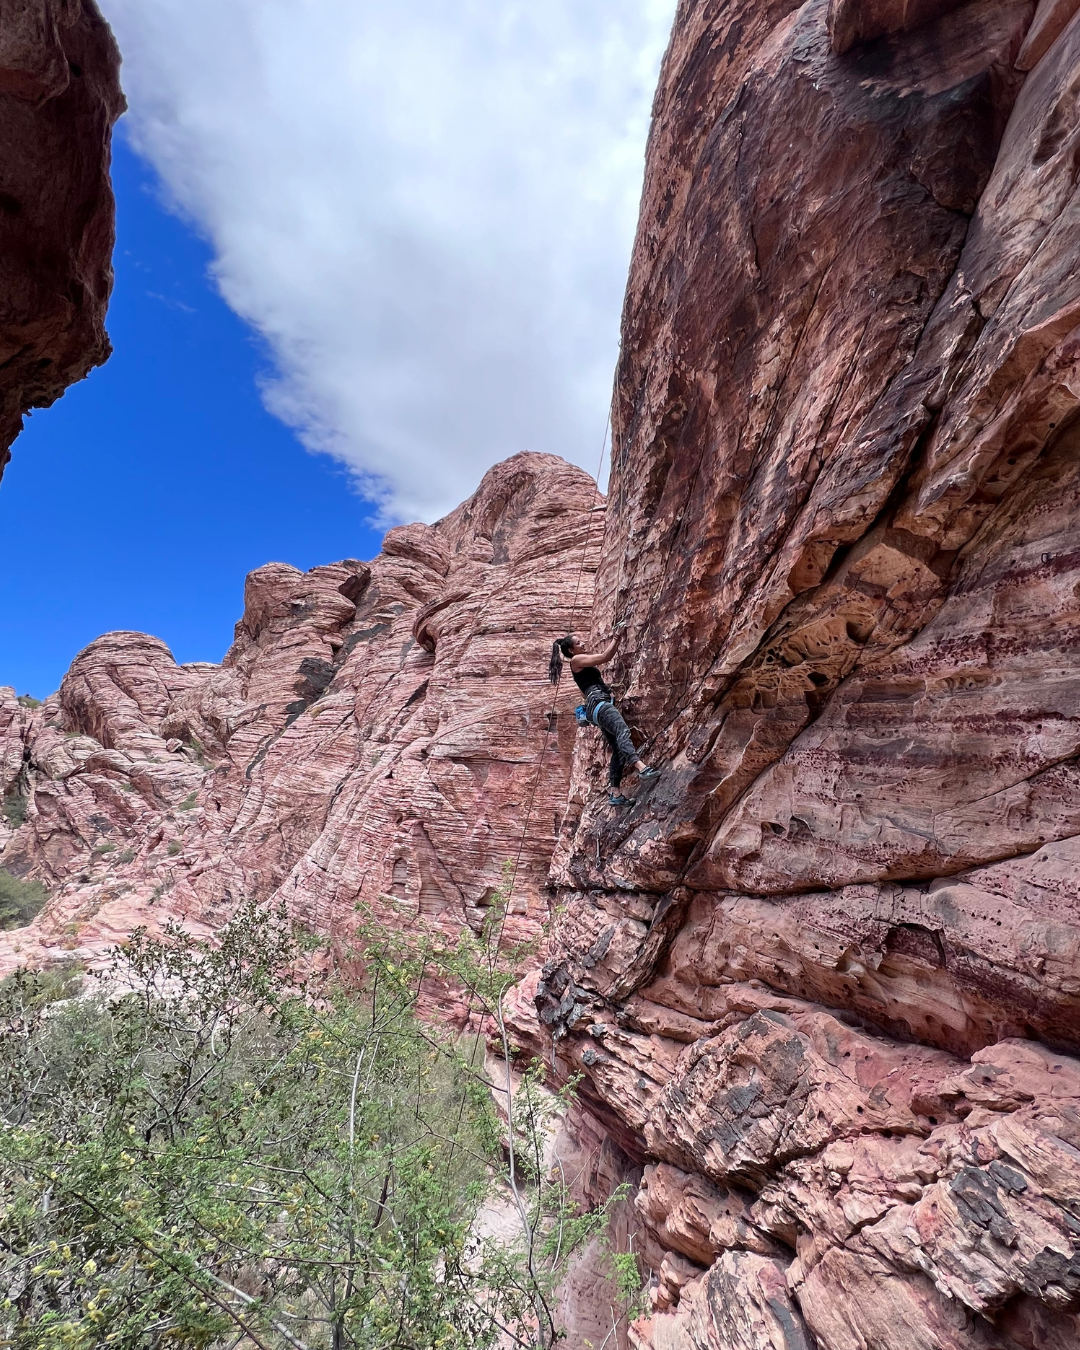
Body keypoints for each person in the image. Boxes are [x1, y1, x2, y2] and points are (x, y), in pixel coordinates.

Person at [549, 632, 659, 806]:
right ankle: (642, 768)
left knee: (617, 748)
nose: (583, 643)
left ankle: (615, 793)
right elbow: (604, 657)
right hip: (600, 703)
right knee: (622, 730)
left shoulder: (578, 666)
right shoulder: (576, 661)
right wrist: (616, 638)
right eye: (579, 643)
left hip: (596, 705)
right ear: (571, 649)